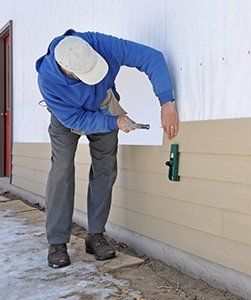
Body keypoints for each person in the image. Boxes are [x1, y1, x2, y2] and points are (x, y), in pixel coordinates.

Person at [36, 29, 179, 268]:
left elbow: (152, 57)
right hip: (68, 118)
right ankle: (58, 242)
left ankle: (95, 235)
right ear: (67, 71)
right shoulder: (48, 81)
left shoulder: (100, 44)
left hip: (104, 104)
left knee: (105, 169)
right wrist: (115, 122)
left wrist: (167, 101)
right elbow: (76, 121)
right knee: (61, 170)